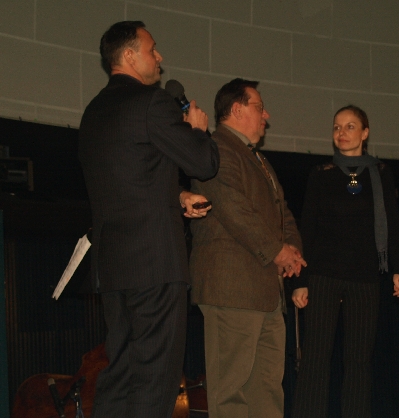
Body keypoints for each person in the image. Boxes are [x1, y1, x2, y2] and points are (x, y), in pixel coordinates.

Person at [78, 21, 219, 418]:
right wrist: (198, 131)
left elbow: (127, 180)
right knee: (155, 379)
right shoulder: (152, 102)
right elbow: (203, 163)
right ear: (129, 56)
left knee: (121, 374)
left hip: (113, 268)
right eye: (152, 49)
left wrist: (177, 196)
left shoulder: (93, 112)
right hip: (155, 264)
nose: (159, 57)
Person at [189, 78, 306, 418]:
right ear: (237, 110)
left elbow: (283, 212)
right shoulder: (214, 148)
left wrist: (292, 251)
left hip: (266, 291)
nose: (266, 115)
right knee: (230, 393)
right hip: (232, 288)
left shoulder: (258, 159)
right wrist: (277, 251)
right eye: (259, 107)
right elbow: (233, 209)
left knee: (267, 391)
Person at [291, 105, 399, 418]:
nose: (341, 133)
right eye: (337, 127)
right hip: (323, 276)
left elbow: (393, 224)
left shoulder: (381, 173)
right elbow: (307, 229)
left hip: (364, 277)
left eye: (350, 126)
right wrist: (301, 281)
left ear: (365, 133)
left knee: (358, 362)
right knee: (315, 358)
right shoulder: (320, 174)